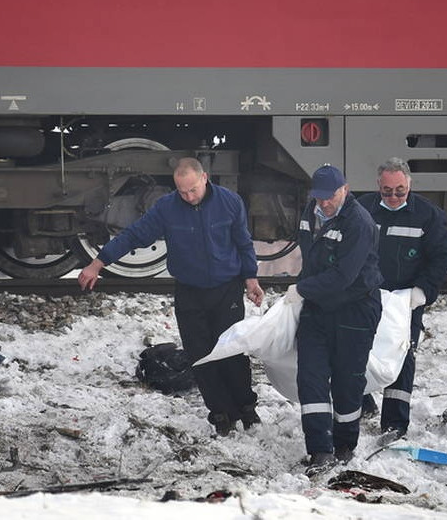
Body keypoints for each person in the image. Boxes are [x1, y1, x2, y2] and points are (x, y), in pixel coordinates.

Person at [78, 157, 264, 436]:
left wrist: (251, 278)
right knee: (200, 356)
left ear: (204, 178)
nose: (188, 197)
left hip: (227, 288)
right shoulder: (167, 208)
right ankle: (221, 414)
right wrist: (98, 263)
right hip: (190, 291)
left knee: (232, 351)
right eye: (182, 191)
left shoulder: (229, 202)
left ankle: (247, 410)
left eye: (193, 190)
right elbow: (134, 235)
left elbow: (242, 241)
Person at [291, 164, 383, 476]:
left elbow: (344, 276)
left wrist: (300, 289)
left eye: (329, 197)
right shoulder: (310, 212)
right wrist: (305, 291)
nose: (324, 203)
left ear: (344, 189)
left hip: (354, 308)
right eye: (318, 198)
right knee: (310, 377)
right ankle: (319, 449)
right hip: (317, 307)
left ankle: (345, 444)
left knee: (347, 381)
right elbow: (310, 257)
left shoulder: (358, 222)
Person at [358, 158, 447, 440]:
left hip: (404, 299)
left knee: (402, 354)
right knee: (358, 350)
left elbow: (443, 255)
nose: (393, 197)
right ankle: (361, 403)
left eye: (400, 191)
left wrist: (422, 290)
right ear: (378, 186)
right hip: (366, 295)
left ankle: (395, 423)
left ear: (409, 185)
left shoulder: (427, 215)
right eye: (387, 191)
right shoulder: (362, 209)